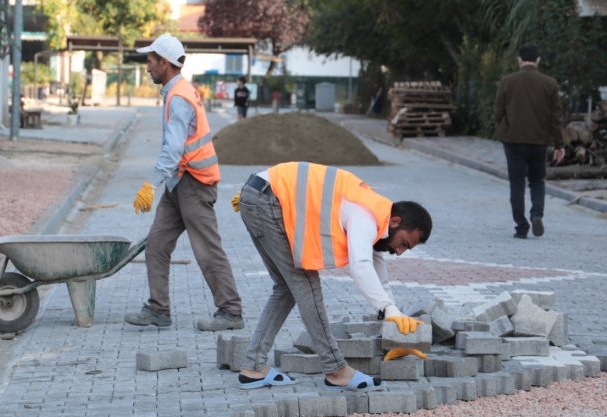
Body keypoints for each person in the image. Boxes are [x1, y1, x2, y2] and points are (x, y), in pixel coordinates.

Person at [230, 162, 432, 390]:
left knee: (286, 288)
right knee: (306, 284)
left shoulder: (376, 213)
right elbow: (361, 264)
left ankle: (253, 367)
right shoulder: (365, 213)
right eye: (404, 243)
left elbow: (376, 266)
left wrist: (392, 315)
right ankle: (336, 370)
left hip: (259, 195)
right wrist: (388, 310)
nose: (399, 251)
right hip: (266, 200)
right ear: (396, 222)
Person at [124, 33, 244, 331]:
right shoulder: (176, 91)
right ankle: (158, 309)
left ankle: (231, 311)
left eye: (151, 61)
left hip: (194, 183)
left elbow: (174, 149)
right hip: (180, 183)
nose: (147, 67)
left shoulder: (178, 97)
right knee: (157, 244)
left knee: (206, 249)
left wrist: (151, 184)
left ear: (164, 63)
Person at [494, 44, 563, 239]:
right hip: (539, 141)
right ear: (538, 60)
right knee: (537, 181)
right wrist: (559, 144)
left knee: (517, 184)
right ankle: (536, 215)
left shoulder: (507, 82)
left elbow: (498, 112)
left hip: (513, 141)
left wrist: (505, 126)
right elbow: (555, 116)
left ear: (519, 60)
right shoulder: (550, 83)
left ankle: (521, 226)